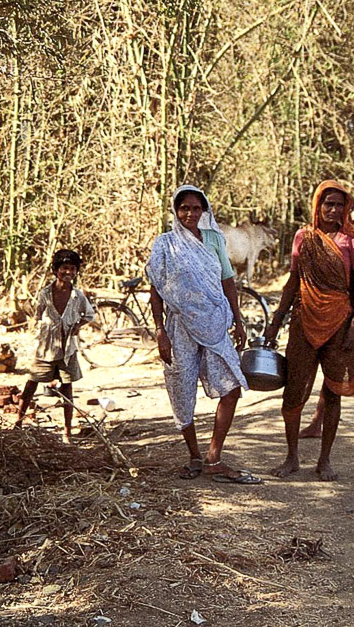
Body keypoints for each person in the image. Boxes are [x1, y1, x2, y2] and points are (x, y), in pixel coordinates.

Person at [146, 186, 260, 484]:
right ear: (175, 210)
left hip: (214, 322)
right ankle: (195, 455)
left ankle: (214, 457)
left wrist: (239, 319)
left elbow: (227, 280)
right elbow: (156, 290)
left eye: (196, 208)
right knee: (182, 391)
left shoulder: (213, 239)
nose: (190, 214)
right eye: (184, 208)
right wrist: (160, 330)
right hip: (179, 327)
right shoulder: (165, 244)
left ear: (204, 210)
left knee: (231, 386)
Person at [263, 180, 354, 481]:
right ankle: (292, 457)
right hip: (304, 322)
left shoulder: (352, 243)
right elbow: (293, 280)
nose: (334, 210)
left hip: (340, 325)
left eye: (339, 204)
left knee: (333, 392)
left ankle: (325, 460)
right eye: (328, 204)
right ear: (317, 206)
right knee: (293, 392)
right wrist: (276, 321)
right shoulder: (303, 237)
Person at [299, 201, 354, 448]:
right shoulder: (338, 243)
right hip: (340, 321)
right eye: (353, 221)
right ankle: (316, 420)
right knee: (331, 373)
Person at [15, 249, 96, 443]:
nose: (67, 273)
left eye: (72, 269)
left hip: (68, 349)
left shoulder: (78, 296)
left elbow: (89, 315)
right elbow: (37, 315)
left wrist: (77, 326)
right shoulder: (45, 294)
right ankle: (17, 422)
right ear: (56, 271)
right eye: (64, 269)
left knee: (67, 389)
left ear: (76, 272)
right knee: (31, 383)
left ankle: (67, 432)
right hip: (46, 347)